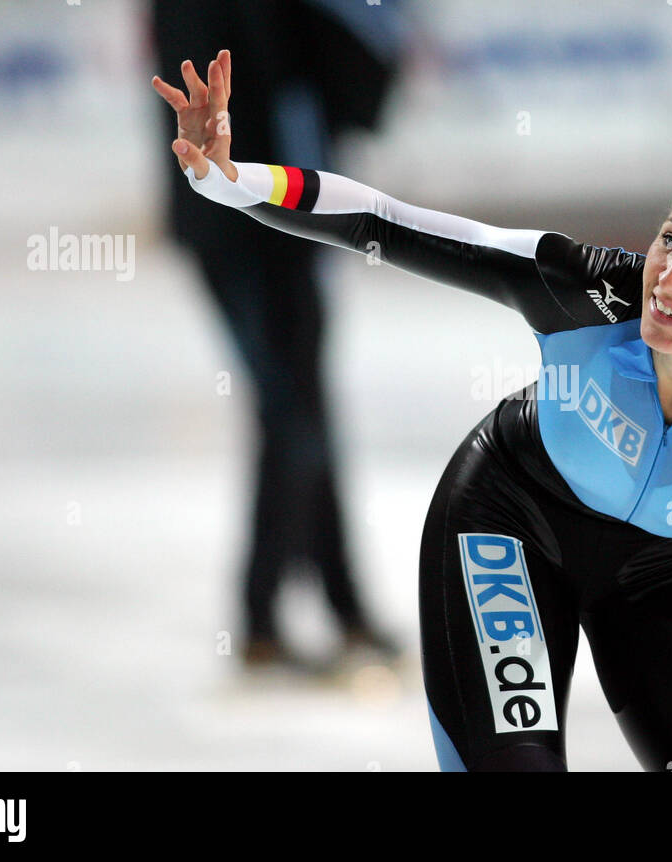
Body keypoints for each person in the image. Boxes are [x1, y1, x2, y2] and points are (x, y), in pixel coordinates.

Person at [152, 51, 672, 771]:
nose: (671, 278)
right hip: (508, 520)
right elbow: (382, 219)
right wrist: (232, 179)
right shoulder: (582, 291)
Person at [150, 1, 402, 670]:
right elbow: (214, 96)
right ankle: (264, 620)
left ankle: (339, 610)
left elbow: (361, 92)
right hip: (237, 226)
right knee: (293, 413)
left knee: (303, 410)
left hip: (288, 220)